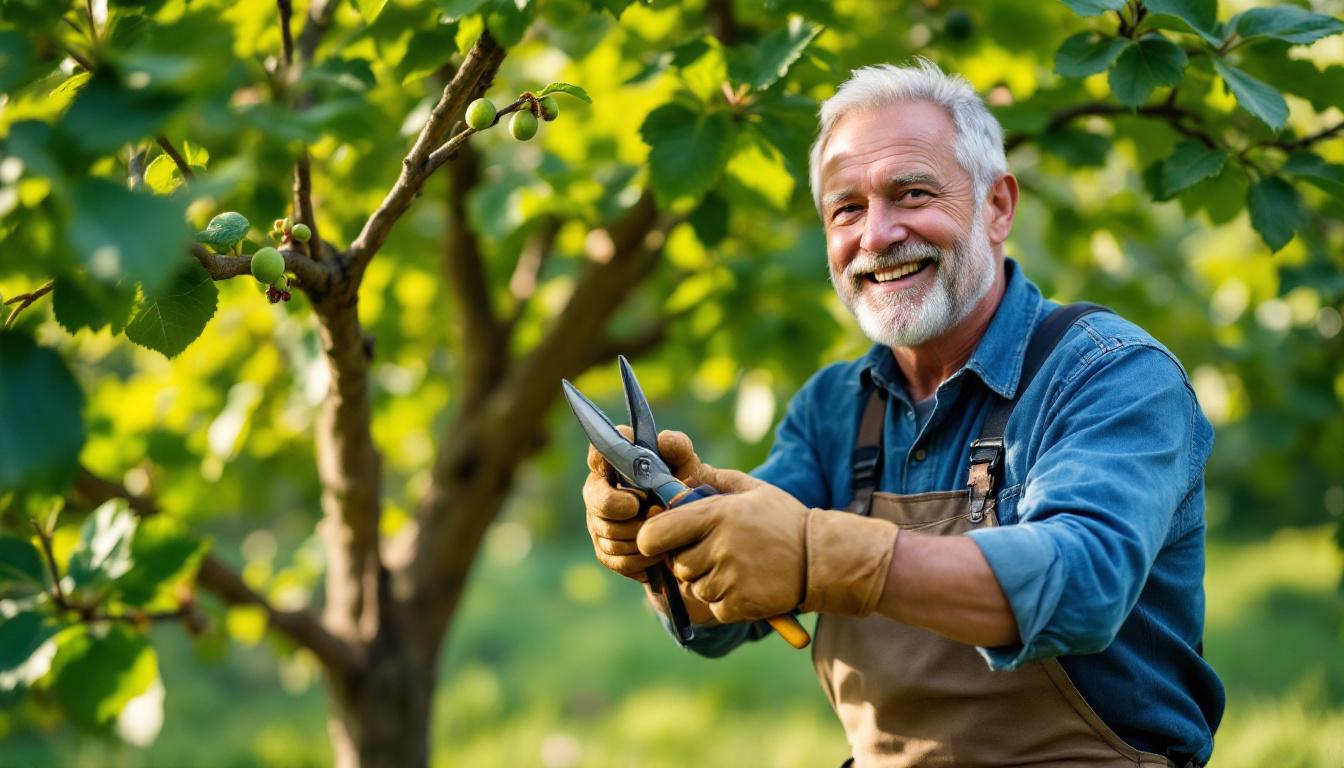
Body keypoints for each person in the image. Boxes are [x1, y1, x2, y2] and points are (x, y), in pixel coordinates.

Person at [581, 59, 1223, 767]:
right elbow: (725, 619)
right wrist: (663, 542)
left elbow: (1084, 582)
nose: (877, 236)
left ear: (998, 206)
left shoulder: (1110, 374)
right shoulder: (834, 405)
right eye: (846, 210)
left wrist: (821, 556)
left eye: (911, 194)